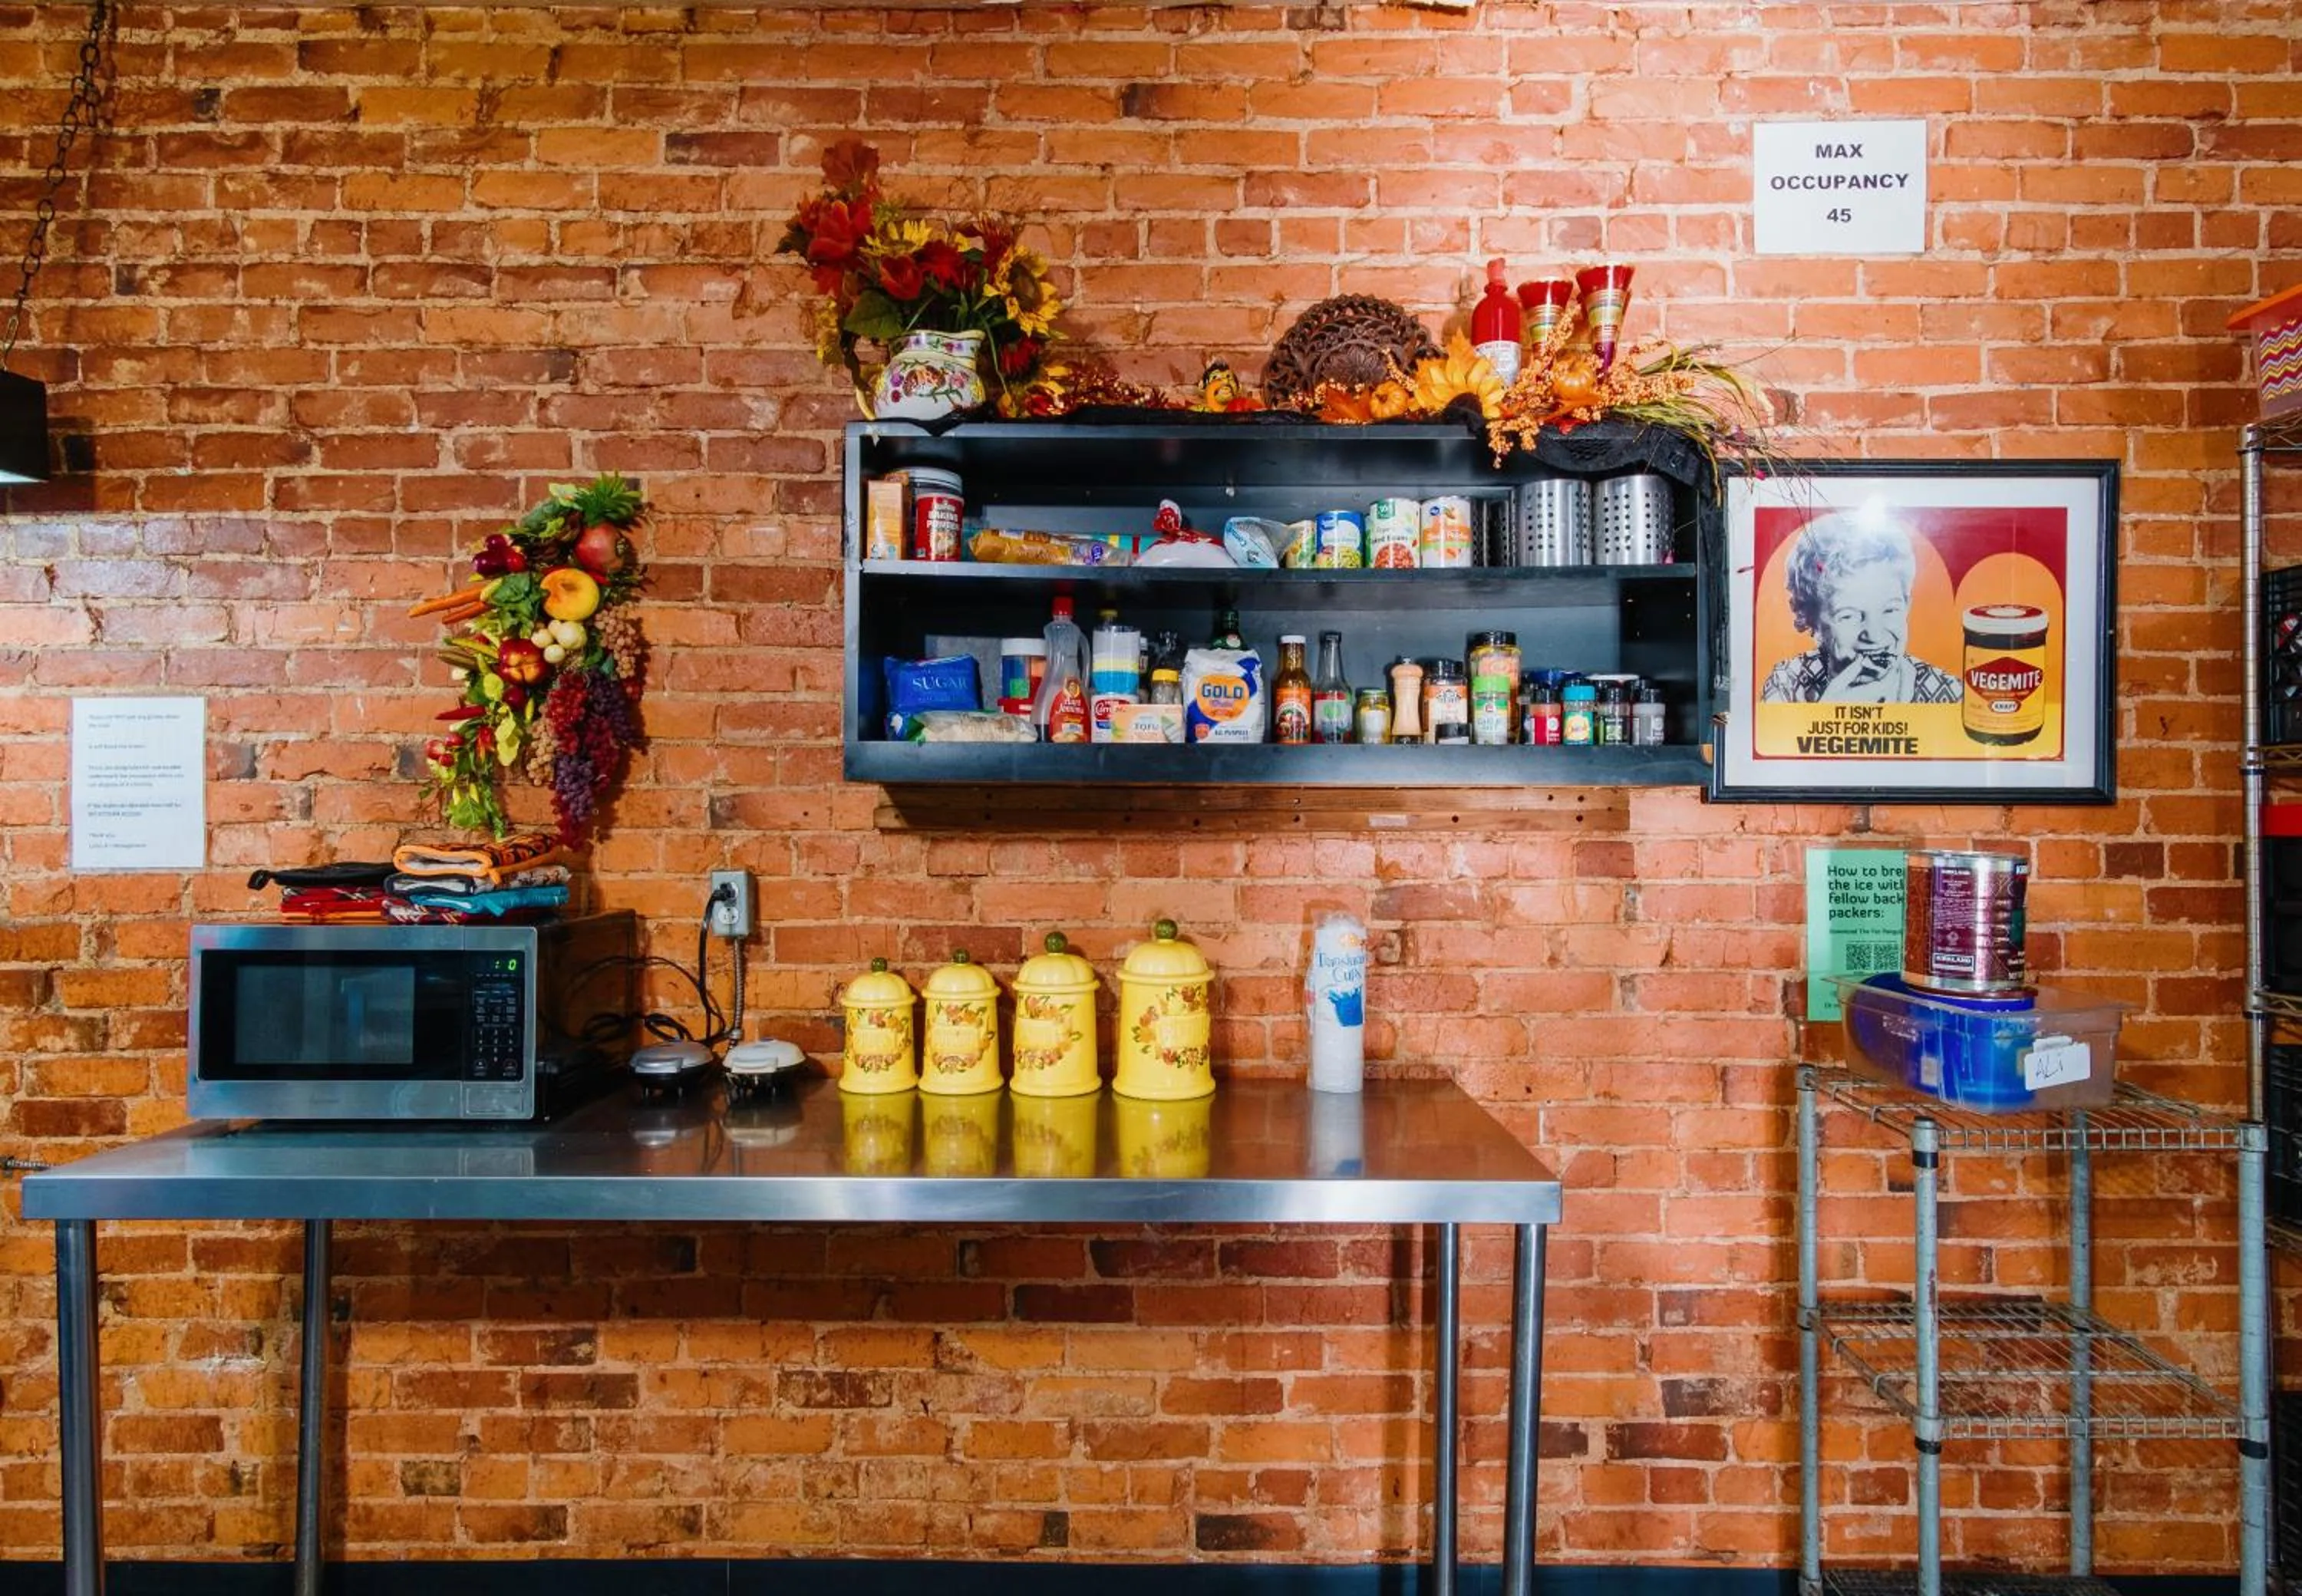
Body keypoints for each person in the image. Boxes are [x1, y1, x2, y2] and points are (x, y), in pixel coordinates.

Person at [1759, 512, 1963, 704]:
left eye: (1890, 610)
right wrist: (1828, 713)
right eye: (1849, 616)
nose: (1875, 636)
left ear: (1906, 606)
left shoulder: (1951, 693)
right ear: (1812, 620)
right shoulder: (1786, 683)